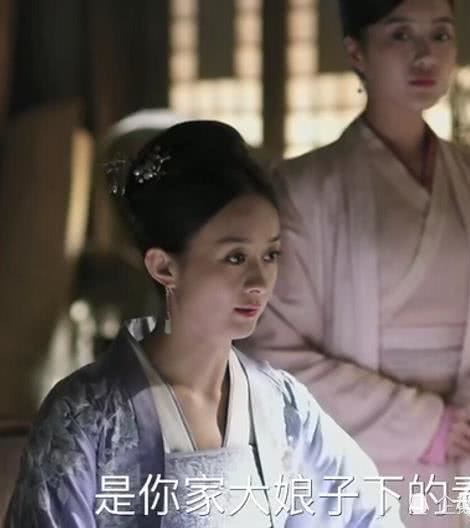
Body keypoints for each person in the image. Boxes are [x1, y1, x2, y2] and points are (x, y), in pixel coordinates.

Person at [238, 1, 470, 526]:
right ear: (356, 52)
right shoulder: (305, 188)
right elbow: (273, 351)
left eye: (441, 35)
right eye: (400, 35)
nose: (425, 55)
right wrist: (424, 426)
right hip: (356, 465)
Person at [5, 121, 405, 528]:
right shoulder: (84, 416)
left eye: (270, 255)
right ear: (164, 267)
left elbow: (370, 514)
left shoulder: (284, 405)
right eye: (235, 257)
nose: (259, 281)